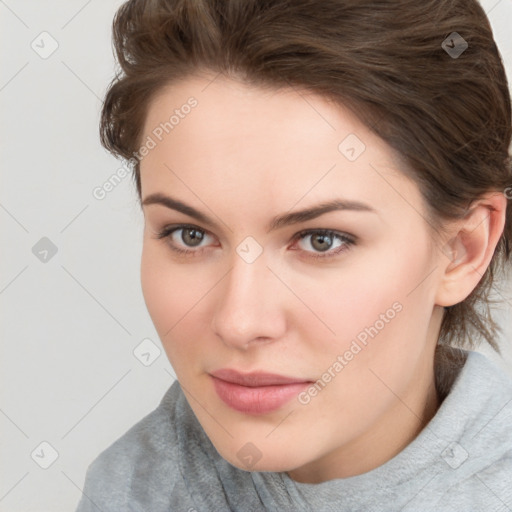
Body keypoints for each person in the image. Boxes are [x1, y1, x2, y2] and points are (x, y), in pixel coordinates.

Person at [76, 0, 512, 510]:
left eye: (320, 240)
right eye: (189, 235)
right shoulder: (132, 487)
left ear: (463, 250)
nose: (239, 322)